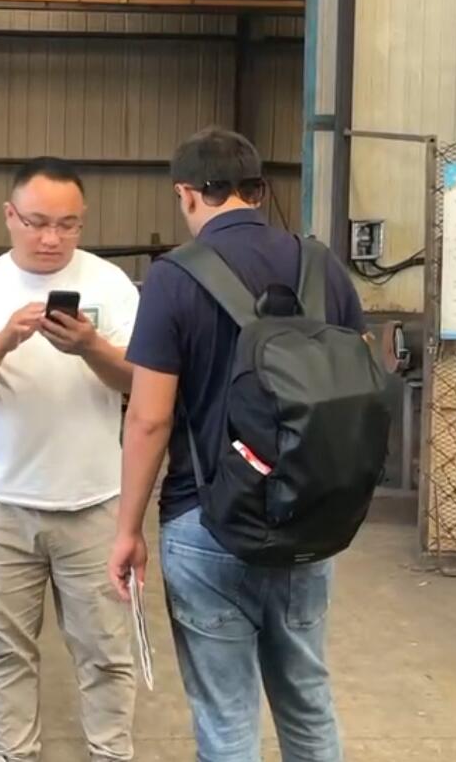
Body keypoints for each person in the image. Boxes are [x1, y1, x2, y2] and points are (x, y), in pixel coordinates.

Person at [109, 127, 367, 762]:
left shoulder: (173, 278)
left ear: (187, 193)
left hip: (207, 521)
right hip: (309, 515)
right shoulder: (322, 266)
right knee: (307, 699)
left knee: (227, 718)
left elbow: (148, 419)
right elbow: (360, 379)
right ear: (257, 189)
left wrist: (128, 529)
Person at [0, 157, 142, 762]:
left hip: (95, 506)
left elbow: (143, 381)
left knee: (106, 652)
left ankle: (111, 753)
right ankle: (14, 754)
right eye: (38, 222)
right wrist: (4, 340)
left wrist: (90, 346)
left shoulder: (111, 286)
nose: (52, 238)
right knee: (5, 652)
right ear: (9, 215)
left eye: (68, 225)